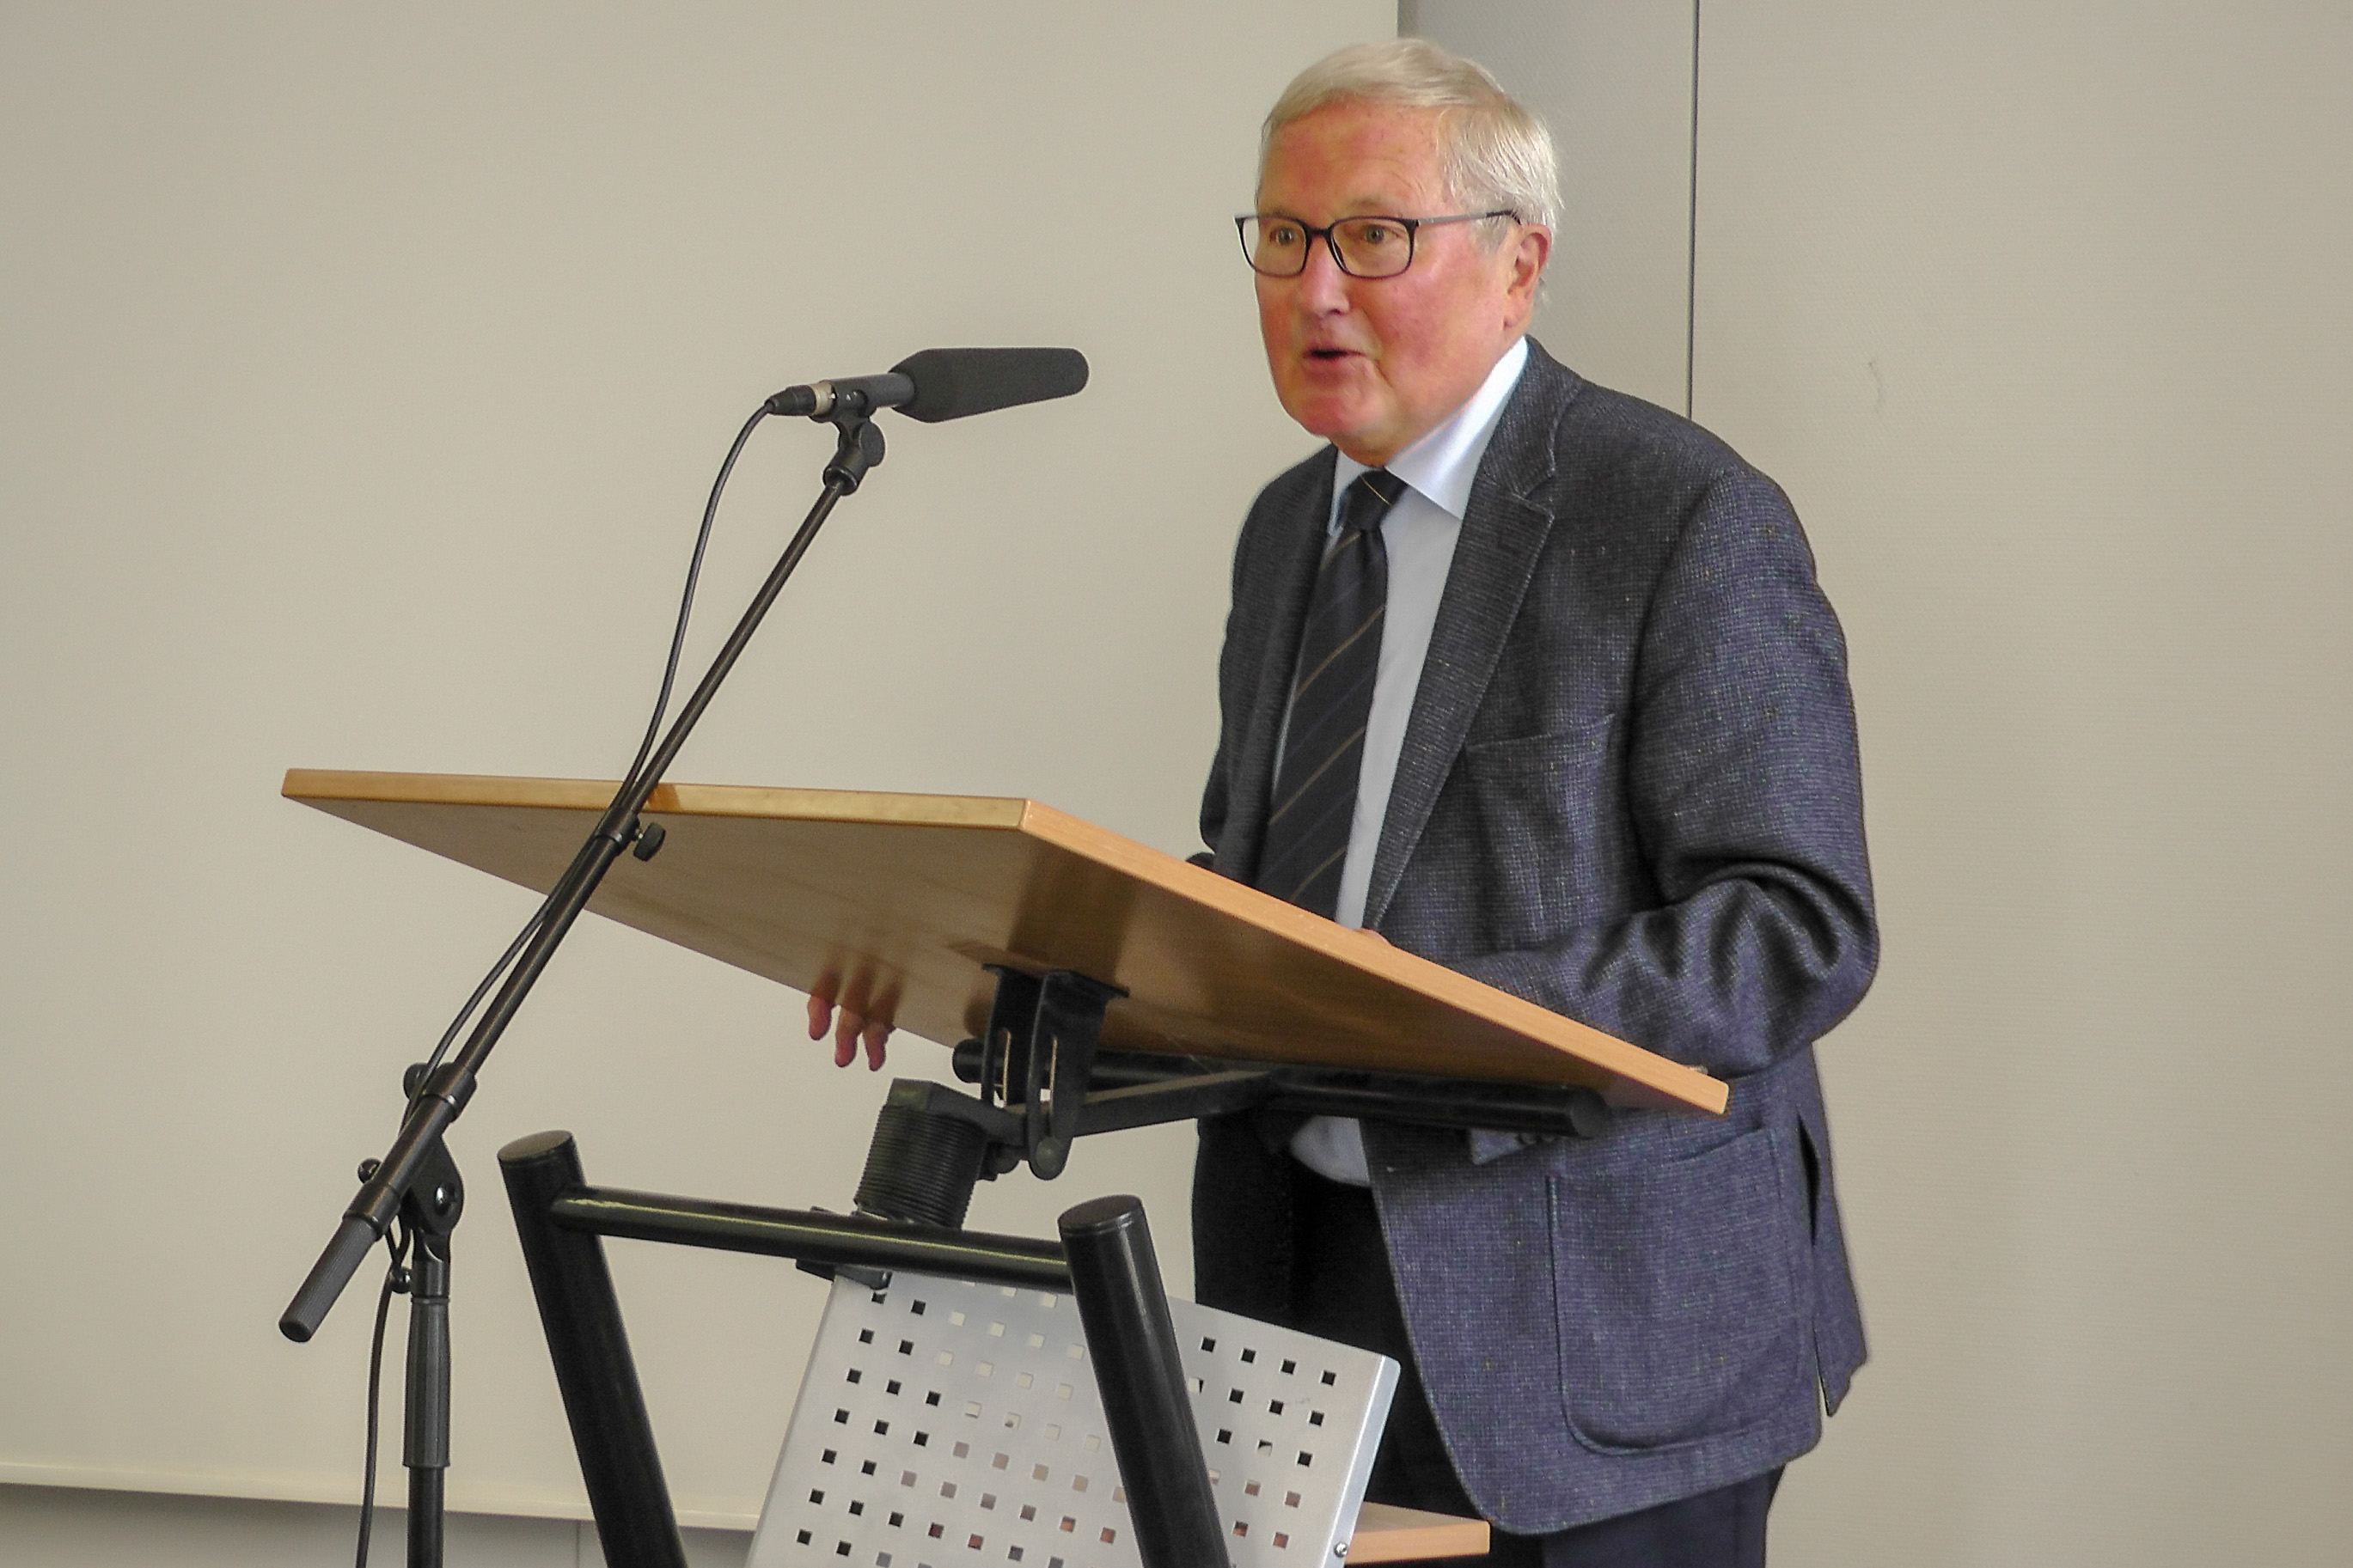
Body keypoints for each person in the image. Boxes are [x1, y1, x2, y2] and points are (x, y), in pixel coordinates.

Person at [816, 38, 1876, 1568]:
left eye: (1374, 236)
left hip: (1596, 1322)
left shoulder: (1679, 515)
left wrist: (1418, 1008)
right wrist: (988, 963)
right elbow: (1264, 896)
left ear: (1518, 265)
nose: (1315, 288)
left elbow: (1792, 930)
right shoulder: (1284, 531)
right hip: (1304, 1287)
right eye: (1283, 236)